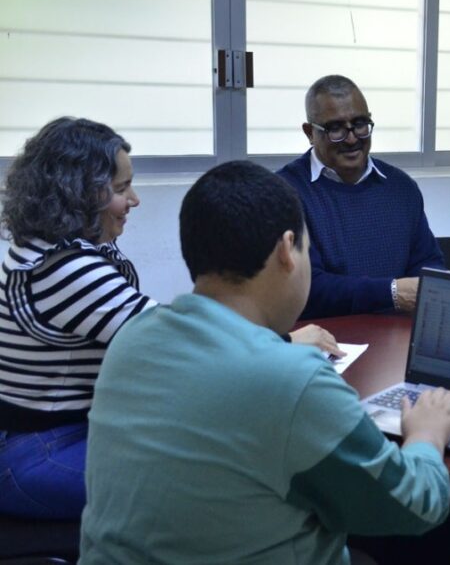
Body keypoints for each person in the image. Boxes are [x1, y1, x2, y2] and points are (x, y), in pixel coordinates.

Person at [80, 161, 450, 563]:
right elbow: (415, 506)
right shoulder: (292, 379)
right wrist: (426, 434)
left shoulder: (134, 339)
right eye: (307, 251)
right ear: (286, 251)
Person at [0, 118, 340, 521]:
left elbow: (160, 330)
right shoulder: (62, 268)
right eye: (122, 188)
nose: (135, 200)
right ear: (80, 194)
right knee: (213, 489)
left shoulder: (47, 250)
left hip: (64, 434)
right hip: (42, 449)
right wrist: (285, 344)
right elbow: (169, 343)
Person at [277, 74, 445, 319]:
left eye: (360, 123)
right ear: (310, 133)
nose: (352, 138)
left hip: (398, 338)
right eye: (335, 128)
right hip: (325, 343)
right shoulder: (285, 192)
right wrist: (392, 293)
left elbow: (429, 263)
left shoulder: (401, 187)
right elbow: (305, 289)